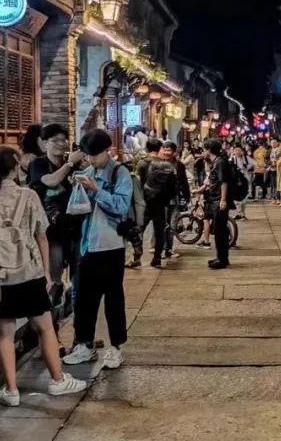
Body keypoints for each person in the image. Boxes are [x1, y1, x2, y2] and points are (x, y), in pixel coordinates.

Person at [0, 146, 86, 406]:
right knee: (44, 327)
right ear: (16, 166)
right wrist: (46, 273)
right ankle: (57, 380)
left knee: (4, 334)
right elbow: (41, 236)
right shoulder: (29, 196)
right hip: (29, 272)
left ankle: (11, 390)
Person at [62, 129, 132, 369]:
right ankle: (84, 345)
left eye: (95, 155)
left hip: (110, 245)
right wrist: (77, 188)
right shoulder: (88, 172)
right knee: (84, 299)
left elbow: (121, 206)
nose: (91, 160)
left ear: (107, 151)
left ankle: (116, 347)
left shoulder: (120, 173)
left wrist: (96, 190)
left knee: (113, 298)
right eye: (88, 155)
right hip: (87, 244)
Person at [27, 124, 86, 338]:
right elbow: (50, 181)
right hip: (50, 235)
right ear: (44, 144)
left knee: (80, 283)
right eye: (55, 140)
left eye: (63, 139)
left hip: (75, 230)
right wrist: (70, 164)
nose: (61, 144)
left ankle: (81, 336)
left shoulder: (74, 165)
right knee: (54, 283)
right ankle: (51, 335)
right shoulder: (38, 164)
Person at [136, 139, 178, 269]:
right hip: (160, 202)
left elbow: (138, 184)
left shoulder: (142, 163)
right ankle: (157, 258)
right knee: (159, 230)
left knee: (139, 229)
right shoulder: (165, 164)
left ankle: (136, 257)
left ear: (147, 149)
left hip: (145, 202)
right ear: (159, 148)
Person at [193, 138, 234, 269]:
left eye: (204, 149)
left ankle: (222, 259)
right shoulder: (215, 162)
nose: (202, 152)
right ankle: (221, 257)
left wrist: (223, 199)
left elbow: (223, 182)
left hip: (218, 200)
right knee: (218, 229)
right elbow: (211, 180)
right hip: (214, 199)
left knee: (220, 230)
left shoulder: (220, 162)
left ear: (209, 150)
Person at [161, 141, 191, 258]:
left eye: (168, 150)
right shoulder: (158, 164)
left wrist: (187, 196)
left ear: (174, 152)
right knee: (162, 224)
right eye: (164, 149)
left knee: (172, 224)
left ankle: (168, 249)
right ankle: (162, 249)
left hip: (174, 199)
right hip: (161, 200)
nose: (166, 152)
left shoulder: (179, 165)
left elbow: (184, 182)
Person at [230, 144, 254, 219]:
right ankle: (239, 213)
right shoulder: (231, 159)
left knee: (245, 196)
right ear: (233, 151)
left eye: (239, 150)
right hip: (235, 180)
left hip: (245, 178)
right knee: (236, 197)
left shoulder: (246, 158)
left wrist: (246, 167)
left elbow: (253, 163)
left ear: (242, 151)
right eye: (236, 150)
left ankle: (242, 213)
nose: (237, 152)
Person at [268, 138, 281, 204]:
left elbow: (279, 158)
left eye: (274, 143)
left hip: (278, 169)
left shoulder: (280, 150)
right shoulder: (271, 150)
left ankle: (278, 198)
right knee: (273, 184)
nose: (273, 144)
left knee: (277, 184)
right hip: (272, 169)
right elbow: (269, 159)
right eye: (272, 143)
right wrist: (270, 163)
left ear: (277, 143)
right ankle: (273, 198)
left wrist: (275, 161)